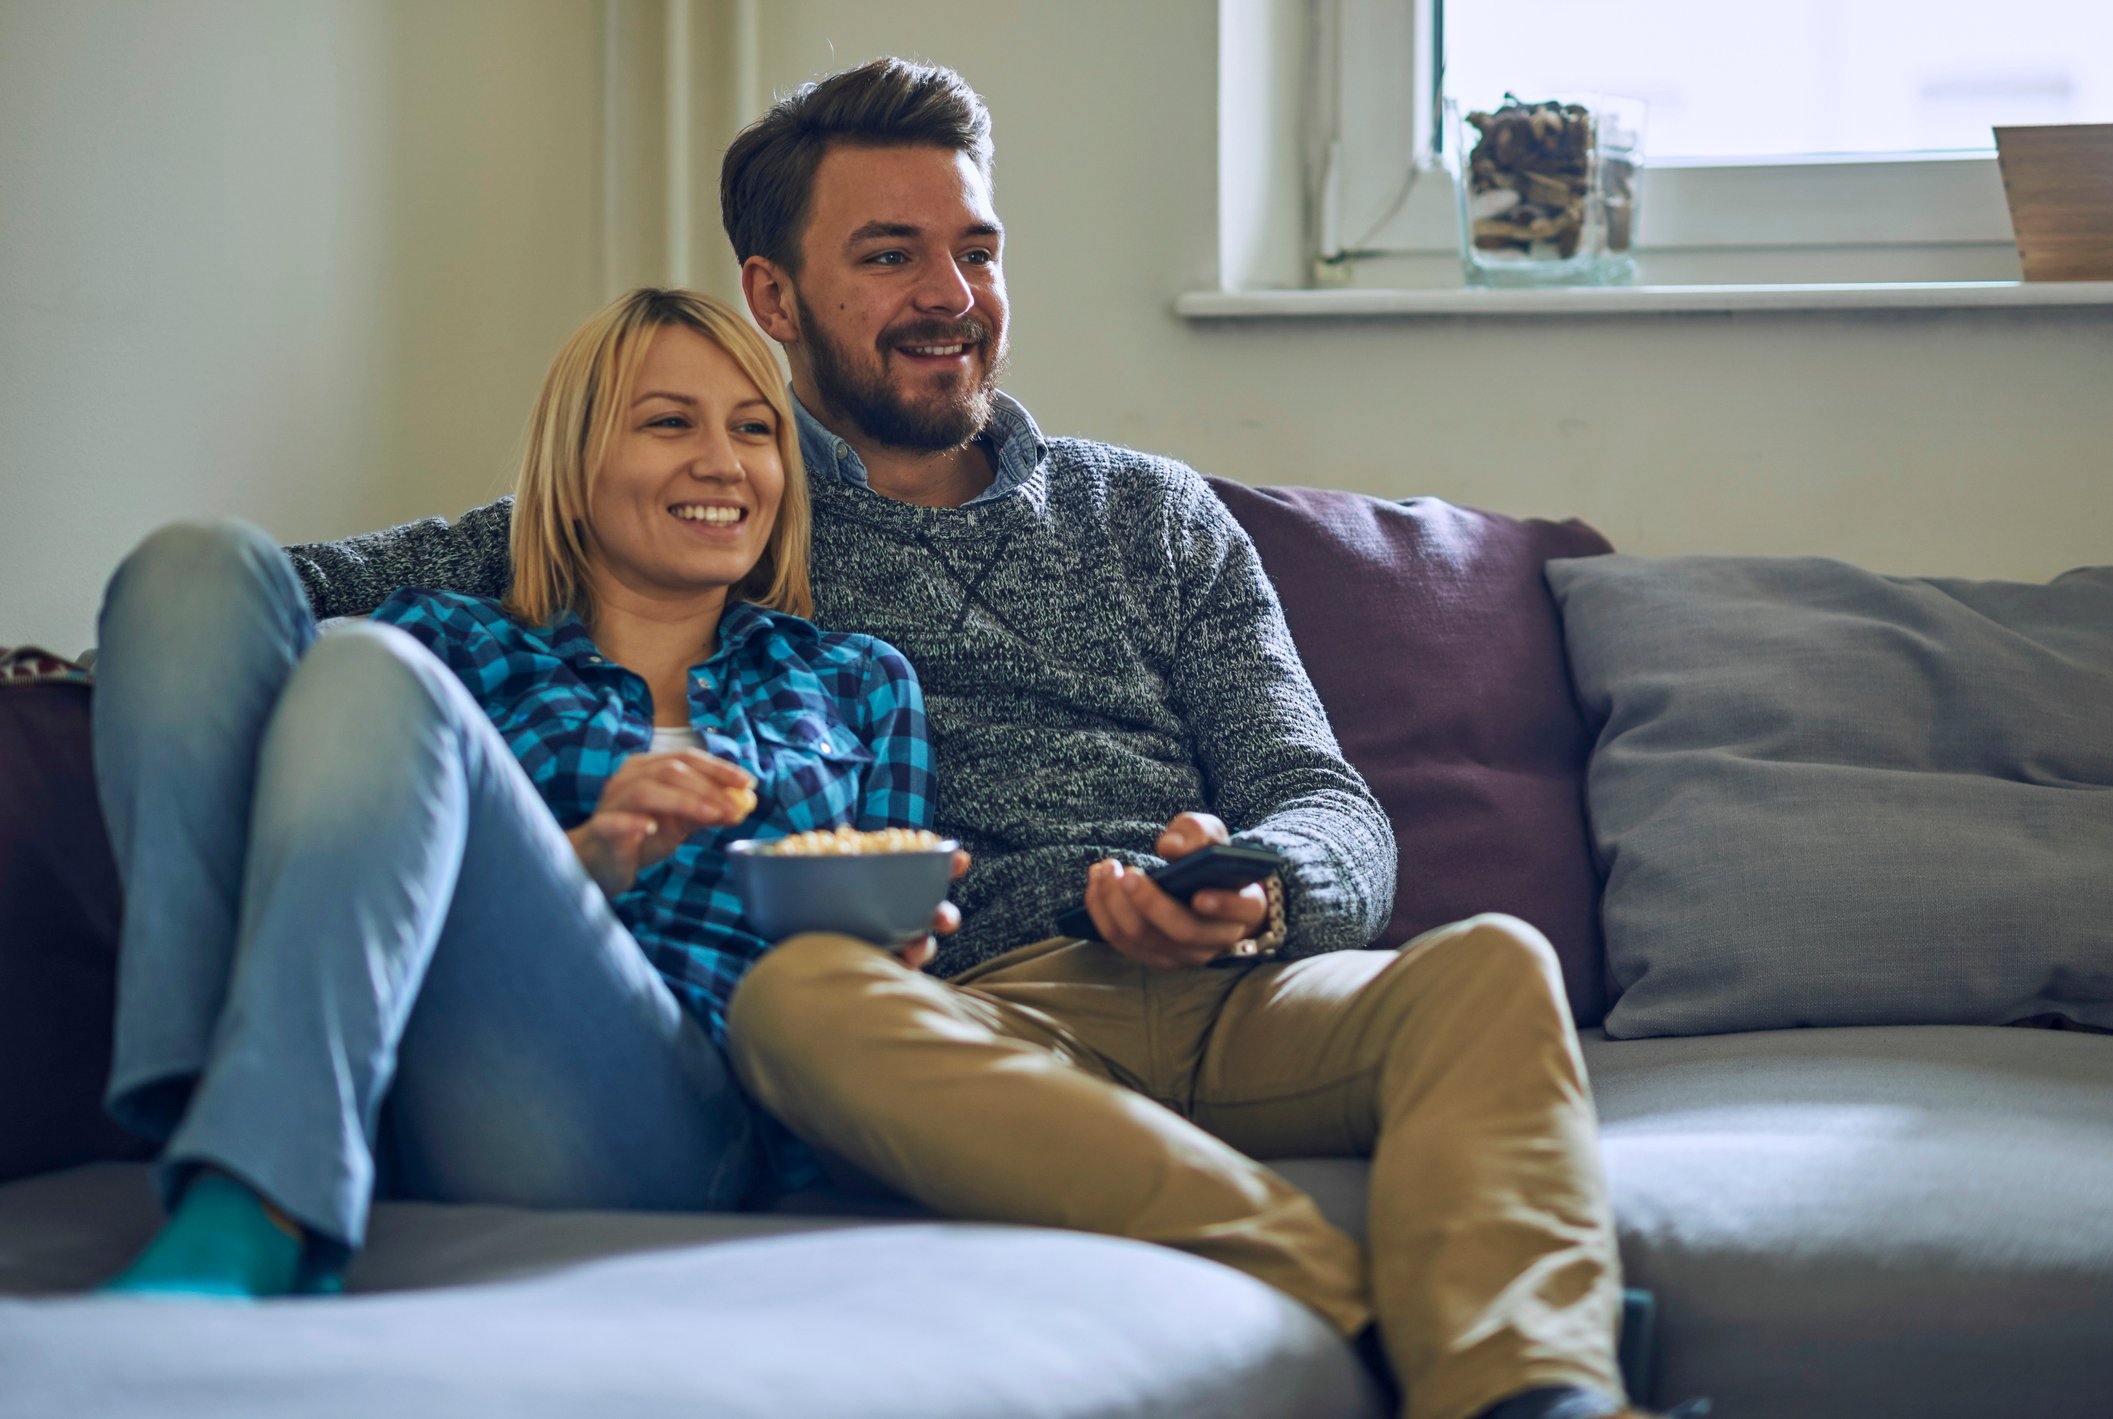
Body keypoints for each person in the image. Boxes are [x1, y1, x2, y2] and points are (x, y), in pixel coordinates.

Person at [280, 59, 1703, 1419]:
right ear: (772, 292)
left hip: (1244, 989)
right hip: (973, 1011)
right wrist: (100, 665)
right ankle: (1379, 1316)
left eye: (975, 248)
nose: (950, 296)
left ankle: (1541, 1390)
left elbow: (1323, 795)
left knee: (1491, 964)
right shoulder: (722, 494)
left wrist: (1260, 881)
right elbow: (318, 587)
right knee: (798, 1002)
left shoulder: (1151, 514)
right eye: (891, 254)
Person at [90, 287, 935, 1300]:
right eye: (671, 422)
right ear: (575, 471)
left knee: (369, 667)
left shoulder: (855, 680)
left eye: (754, 431)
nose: (724, 461)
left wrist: (894, 951)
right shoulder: (457, 647)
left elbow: (891, 955)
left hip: (681, 1123)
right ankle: (234, 1136)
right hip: (403, 1072)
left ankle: (256, 1186)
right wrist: (587, 851)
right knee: (194, 567)